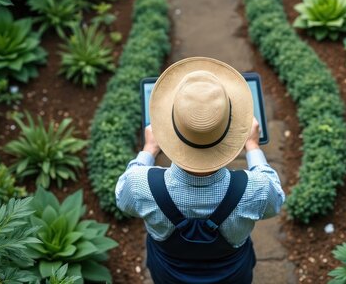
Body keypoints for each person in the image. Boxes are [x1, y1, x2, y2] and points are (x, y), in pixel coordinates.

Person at [115, 57, 285, 283]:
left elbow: (123, 200)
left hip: (169, 276)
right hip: (232, 277)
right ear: (232, 129)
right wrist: (252, 146)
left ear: (169, 127)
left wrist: (149, 149)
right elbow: (275, 201)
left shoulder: (139, 185)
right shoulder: (257, 189)